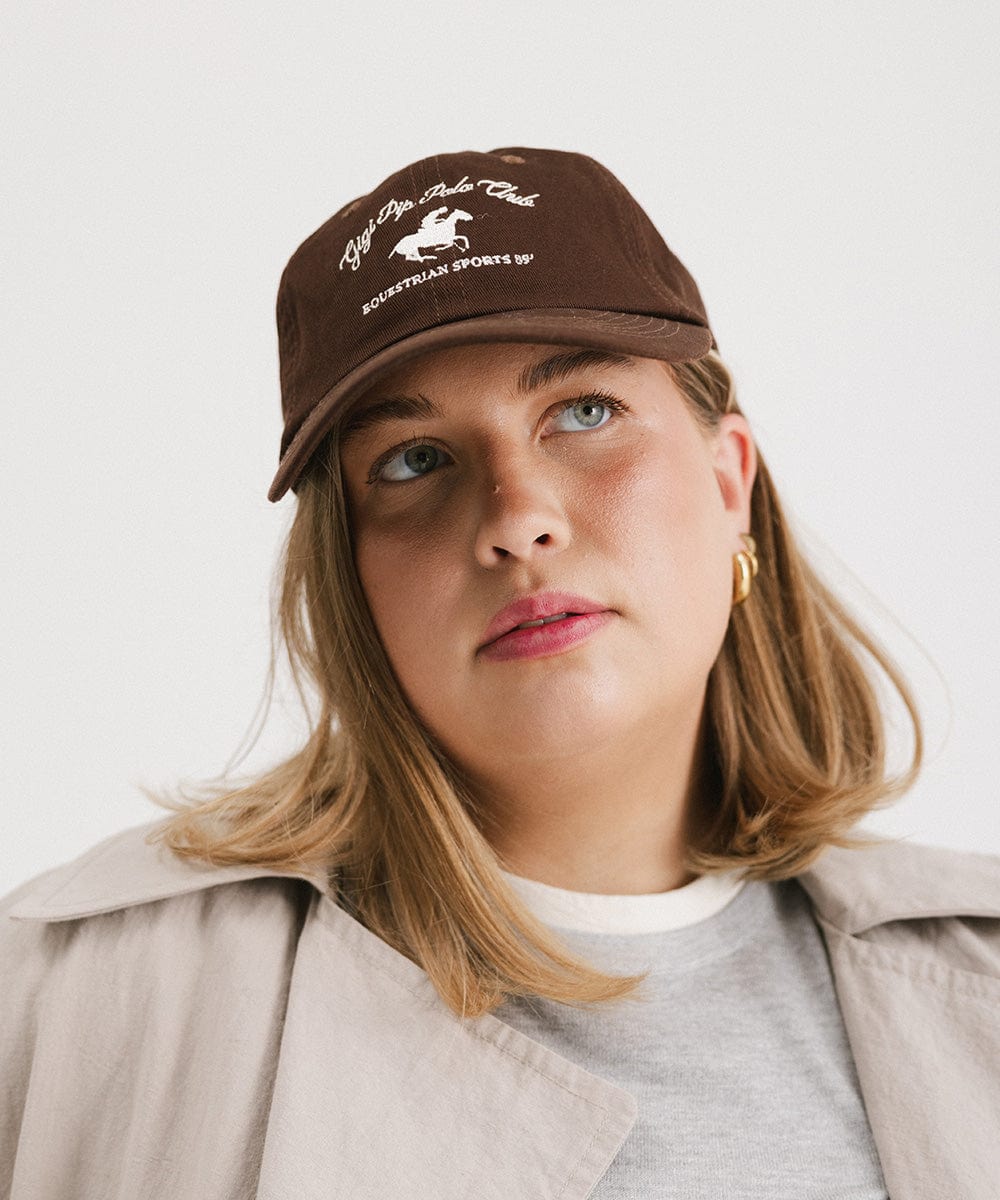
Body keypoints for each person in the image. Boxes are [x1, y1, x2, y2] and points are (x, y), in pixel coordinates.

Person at [2, 147, 999, 1199]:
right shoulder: (68, 1004)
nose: (518, 517)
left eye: (582, 412)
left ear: (725, 480)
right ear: (348, 577)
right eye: (415, 460)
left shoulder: (975, 986)